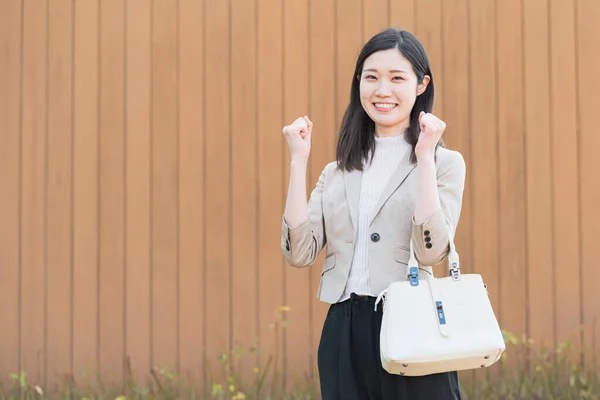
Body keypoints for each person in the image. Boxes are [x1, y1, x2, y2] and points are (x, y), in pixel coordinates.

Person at [280, 28, 465, 400]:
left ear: (420, 85)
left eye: (397, 78)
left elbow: (431, 253)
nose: (382, 91)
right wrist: (298, 161)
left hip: (412, 322)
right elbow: (298, 253)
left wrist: (425, 156)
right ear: (359, 83)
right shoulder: (336, 171)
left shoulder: (444, 163)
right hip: (343, 331)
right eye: (371, 77)